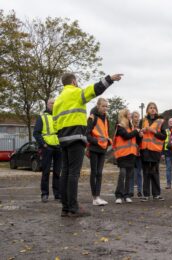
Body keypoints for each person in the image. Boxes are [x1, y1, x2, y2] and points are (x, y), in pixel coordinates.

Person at [53, 72, 122, 217]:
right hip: (76, 137)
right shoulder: (76, 93)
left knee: (65, 172)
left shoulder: (58, 100)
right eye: (76, 81)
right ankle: (73, 207)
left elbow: (55, 121)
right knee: (73, 173)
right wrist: (109, 79)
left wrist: (60, 136)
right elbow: (95, 89)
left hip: (62, 139)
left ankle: (65, 207)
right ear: (73, 81)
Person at [33, 98, 61, 203]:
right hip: (47, 147)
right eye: (51, 103)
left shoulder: (58, 116)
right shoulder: (42, 117)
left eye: (54, 103)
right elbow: (36, 133)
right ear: (47, 104)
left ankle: (57, 194)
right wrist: (44, 144)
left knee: (58, 172)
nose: (53, 104)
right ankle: (44, 194)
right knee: (45, 171)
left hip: (58, 146)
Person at [86, 98, 111, 206]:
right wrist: (96, 141)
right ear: (98, 106)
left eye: (106, 106)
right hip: (94, 149)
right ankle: (94, 197)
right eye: (103, 106)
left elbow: (105, 133)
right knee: (94, 172)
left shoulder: (106, 118)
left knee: (100, 173)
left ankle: (98, 197)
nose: (105, 108)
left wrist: (108, 140)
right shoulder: (92, 118)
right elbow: (86, 134)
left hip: (103, 149)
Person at [139, 102, 166, 202]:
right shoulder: (143, 121)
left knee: (154, 172)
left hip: (155, 151)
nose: (152, 109)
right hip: (145, 150)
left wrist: (154, 131)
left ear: (156, 110)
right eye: (150, 108)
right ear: (147, 110)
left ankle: (156, 194)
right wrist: (141, 132)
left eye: (154, 108)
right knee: (146, 172)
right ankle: (145, 195)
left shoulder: (160, 121)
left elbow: (164, 136)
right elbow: (138, 134)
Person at [113, 109, 141, 204]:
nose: (130, 115)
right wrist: (136, 131)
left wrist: (139, 135)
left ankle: (127, 195)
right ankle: (118, 195)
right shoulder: (119, 126)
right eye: (129, 114)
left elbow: (136, 140)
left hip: (131, 154)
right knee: (122, 174)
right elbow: (126, 136)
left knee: (129, 175)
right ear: (124, 115)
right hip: (122, 155)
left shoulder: (131, 127)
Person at [130, 111, 143, 198]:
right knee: (131, 173)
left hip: (139, 153)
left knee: (139, 173)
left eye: (138, 117)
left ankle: (139, 191)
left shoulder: (141, 128)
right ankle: (130, 191)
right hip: (131, 153)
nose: (137, 118)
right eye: (135, 117)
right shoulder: (129, 128)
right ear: (132, 118)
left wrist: (141, 136)